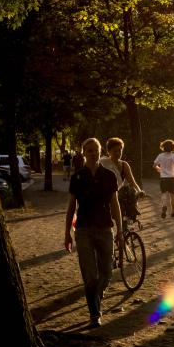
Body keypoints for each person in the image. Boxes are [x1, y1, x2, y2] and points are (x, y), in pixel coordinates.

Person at [64, 138, 122, 329]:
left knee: (106, 273)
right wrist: (66, 233)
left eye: (95, 150)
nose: (92, 153)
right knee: (90, 276)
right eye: (88, 150)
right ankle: (94, 314)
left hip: (106, 228)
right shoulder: (78, 177)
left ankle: (97, 294)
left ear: (100, 151)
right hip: (83, 230)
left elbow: (115, 203)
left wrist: (120, 230)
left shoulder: (109, 176)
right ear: (83, 153)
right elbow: (72, 206)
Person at [154, 139, 174, 218]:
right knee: (173, 195)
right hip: (172, 178)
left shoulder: (160, 156)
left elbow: (154, 165)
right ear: (173, 148)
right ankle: (173, 211)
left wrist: (159, 169)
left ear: (163, 147)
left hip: (163, 178)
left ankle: (164, 206)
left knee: (164, 194)